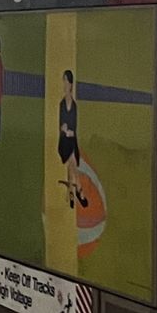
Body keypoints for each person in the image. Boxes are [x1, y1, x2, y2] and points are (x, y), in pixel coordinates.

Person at [58, 69, 87, 209]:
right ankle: (79, 188)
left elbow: (73, 127)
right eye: (63, 81)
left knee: (71, 163)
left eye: (65, 81)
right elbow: (61, 124)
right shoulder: (61, 104)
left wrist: (69, 131)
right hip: (63, 141)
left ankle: (71, 191)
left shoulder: (74, 106)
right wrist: (64, 130)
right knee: (72, 160)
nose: (64, 84)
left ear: (70, 84)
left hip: (71, 140)